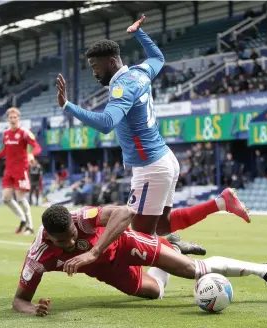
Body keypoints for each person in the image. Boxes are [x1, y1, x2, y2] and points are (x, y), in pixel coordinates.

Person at [56, 15, 250, 258]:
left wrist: (68, 106)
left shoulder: (121, 88)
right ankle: (221, 203)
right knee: (161, 225)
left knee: (142, 238)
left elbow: (107, 123)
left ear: (112, 61)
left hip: (150, 167)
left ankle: (178, 253)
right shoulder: (139, 72)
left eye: (96, 66)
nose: (94, 73)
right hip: (163, 159)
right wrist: (139, 33)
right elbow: (158, 58)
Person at [12, 204, 267, 317]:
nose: (70, 243)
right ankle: (171, 246)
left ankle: (264, 270)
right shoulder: (38, 256)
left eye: (72, 236)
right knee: (155, 293)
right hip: (104, 271)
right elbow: (19, 300)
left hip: (124, 244)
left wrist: (93, 251)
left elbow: (126, 212)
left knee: (194, 270)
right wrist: (33, 309)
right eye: (63, 242)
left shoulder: (81, 218)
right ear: (49, 238)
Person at [0, 107, 42, 235]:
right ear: (8, 119)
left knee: (21, 198)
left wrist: (31, 154)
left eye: (15, 117)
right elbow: (6, 150)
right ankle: (22, 219)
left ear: (18, 118)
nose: (13, 119)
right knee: (6, 198)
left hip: (21, 169)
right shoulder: (6, 134)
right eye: (11, 117)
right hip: (9, 170)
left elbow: (37, 146)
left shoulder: (24, 133)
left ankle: (30, 226)